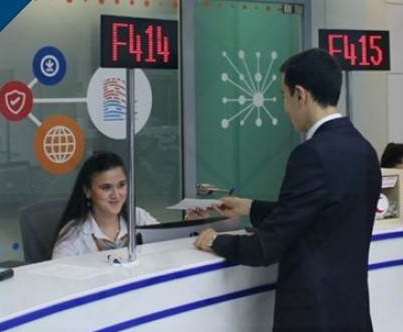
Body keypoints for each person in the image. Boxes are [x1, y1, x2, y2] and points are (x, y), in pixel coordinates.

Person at [192, 48, 381, 331]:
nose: (284, 108)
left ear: (300, 94)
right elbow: (320, 216)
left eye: (283, 95)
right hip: (352, 314)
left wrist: (214, 241)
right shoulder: (365, 149)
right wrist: (249, 207)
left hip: (313, 318)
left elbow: (265, 248)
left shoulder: (311, 155)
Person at [51, 150, 206, 259]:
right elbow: (58, 281)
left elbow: (167, 248)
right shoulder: (73, 234)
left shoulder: (137, 216)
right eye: (106, 188)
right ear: (88, 191)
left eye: (121, 185)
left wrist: (191, 226)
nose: (116, 195)